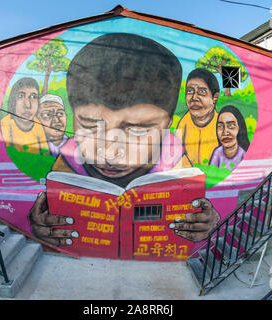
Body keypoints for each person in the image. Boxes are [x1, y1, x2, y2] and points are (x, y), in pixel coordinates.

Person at [28, 33, 220, 247]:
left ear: (166, 126)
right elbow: (53, 213)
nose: (110, 152)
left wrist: (205, 221)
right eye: (91, 126)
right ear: (74, 119)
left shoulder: (173, 157)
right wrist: (41, 223)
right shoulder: (71, 159)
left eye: (137, 130)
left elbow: (193, 208)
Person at [176, 68, 221, 165]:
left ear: (215, 97)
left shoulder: (221, 125)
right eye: (189, 91)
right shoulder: (183, 124)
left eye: (202, 92)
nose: (194, 98)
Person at [0, 77, 49, 154]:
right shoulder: (5, 124)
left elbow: (46, 155)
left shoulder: (38, 125)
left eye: (33, 97)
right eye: (21, 96)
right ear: (13, 100)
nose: (27, 105)